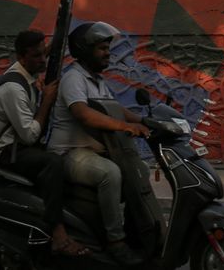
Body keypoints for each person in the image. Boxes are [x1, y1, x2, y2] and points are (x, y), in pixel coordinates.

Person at [46, 21, 150, 267]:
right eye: (102, 48)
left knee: (140, 171)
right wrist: (125, 127)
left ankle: (136, 232)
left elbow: (116, 110)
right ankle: (115, 242)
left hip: (91, 151)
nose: (107, 53)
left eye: (107, 48)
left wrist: (147, 121)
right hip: (68, 153)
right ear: (84, 50)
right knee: (110, 173)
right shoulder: (74, 78)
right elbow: (83, 113)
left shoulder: (96, 80)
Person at [0, 29, 88, 257]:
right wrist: (45, 102)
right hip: (10, 152)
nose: (42, 59)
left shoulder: (27, 73)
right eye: (36, 56)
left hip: (21, 148)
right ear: (21, 58)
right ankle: (58, 233)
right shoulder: (13, 88)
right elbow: (29, 136)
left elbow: (43, 51)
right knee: (52, 163)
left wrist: (57, 40)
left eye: (43, 54)